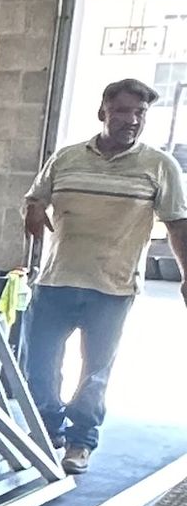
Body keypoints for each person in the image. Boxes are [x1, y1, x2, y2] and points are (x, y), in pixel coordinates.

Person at [21, 77, 187, 474]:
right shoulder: (67, 158)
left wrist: (186, 274)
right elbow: (36, 194)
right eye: (122, 111)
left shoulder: (160, 167)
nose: (131, 120)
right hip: (56, 279)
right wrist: (31, 209)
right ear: (103, 113)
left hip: (112, 286)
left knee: (94, 371)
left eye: (139, 113)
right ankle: (47, 427)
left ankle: (80, 442)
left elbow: (178, 224)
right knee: (38, 365)